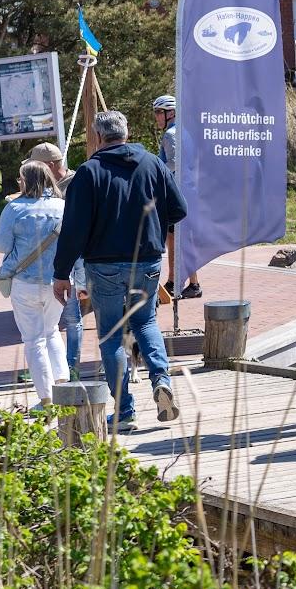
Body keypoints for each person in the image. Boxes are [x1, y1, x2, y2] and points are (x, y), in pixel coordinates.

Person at [52, 110, 187, 432]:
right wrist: (156, 226)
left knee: (111, 334)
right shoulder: (153, 164)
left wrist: (61, 273)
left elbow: (73, 228)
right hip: (149, 261)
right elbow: (179, 209)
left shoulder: (89, 172)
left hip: (105, 265)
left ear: (98, 137)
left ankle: (125, 411)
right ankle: (161, 380)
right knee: (146, 321)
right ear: (127, 133)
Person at [0, 161, 69, 407]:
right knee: (52, 331)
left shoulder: (14, 208)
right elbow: (75, 245)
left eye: (20, 178)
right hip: (58, 280)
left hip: (24, 282)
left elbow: (0, 245)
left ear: (26, 181)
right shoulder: (63, 207)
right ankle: (63, 386)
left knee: (34, 339)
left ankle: (46, 397)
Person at [30, 141, 86, 379]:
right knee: (47, 323)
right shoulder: (43, 187)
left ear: (51, 165)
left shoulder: (76, 182)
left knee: (72, 318)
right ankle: (51, 366)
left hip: (74, 259)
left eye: (38, 166)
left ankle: (71, 367)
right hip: (50, 261)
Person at [153, 95, 201, 299]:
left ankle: (188, 282)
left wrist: (153, 168)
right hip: (188, 190)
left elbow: (174, 163)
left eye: (158, 112)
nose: (156, 117)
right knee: (176, 239)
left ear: (170, 113)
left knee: (177, 239)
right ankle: (177, 280)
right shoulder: (184, 132)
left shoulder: (170, 135)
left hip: (177, 191)